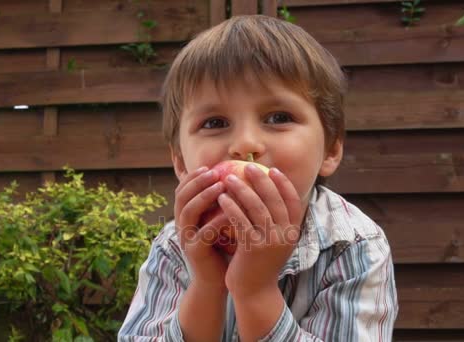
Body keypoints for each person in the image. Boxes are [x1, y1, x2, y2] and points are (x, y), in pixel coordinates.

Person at [118, 14, 398, 342]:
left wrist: (255, 291)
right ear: (180, 162)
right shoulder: (174, 247)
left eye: (279, 117)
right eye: (215, 123)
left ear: (331, 150)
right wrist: (207, 284)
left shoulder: (352, 246)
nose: (245, 144)